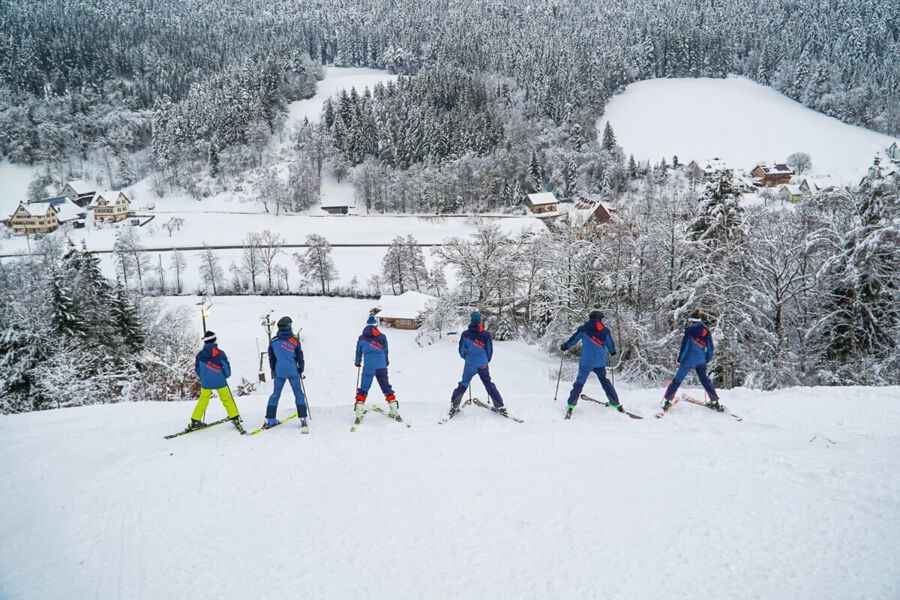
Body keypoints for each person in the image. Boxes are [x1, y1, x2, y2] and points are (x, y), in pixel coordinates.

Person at [560, 310, 620, 418]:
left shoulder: (583, 329)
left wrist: (565, 346)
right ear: (600, 319)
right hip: (600, 362)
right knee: (605, 381)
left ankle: (571, 404)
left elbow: (574, 340)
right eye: (603, 318)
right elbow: (610, 343)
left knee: (579, 382)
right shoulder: (605, 331)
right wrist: (612, 351)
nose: (603, 320)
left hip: (586, 362)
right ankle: (615, 401)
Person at [661, 309, 721, 411]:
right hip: (701, 359)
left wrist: (680, 360)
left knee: (677, 380)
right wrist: (707, 358)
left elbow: (685, 347)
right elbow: (710, 347)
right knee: (705, 380)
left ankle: (668, 401)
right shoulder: (706, 330)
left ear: (691, 320)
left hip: (688, 359)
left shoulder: (689, 330)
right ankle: (715, 401)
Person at [448, 312, 506, 416]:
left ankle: (454, 406)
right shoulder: (486, 334)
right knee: (488, 383)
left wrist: (467, 357)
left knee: (464, 383)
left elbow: (461, 350)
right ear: (480, 321)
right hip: (483, 363)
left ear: (471, 320)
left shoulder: (465, 334)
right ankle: (499, 406)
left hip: (470, 363)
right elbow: (489, 351)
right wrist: (485, 360)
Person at [187, 331, 243, 432]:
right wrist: (226, 375)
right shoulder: (220, 353)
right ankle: (234, 417)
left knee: (203, 400)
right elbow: (226, 368)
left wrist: (203, 377)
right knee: (227, 399)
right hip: (220, 381)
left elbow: (197, 369)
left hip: (206, 382)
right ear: (215, 340)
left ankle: (195, 420)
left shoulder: (200, 355)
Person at [265, 316, 308, 430]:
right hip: (292, 370)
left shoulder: (274, 341)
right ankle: (303, 417)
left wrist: (273, 370)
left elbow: (271, 358)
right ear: (289, 326)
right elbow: (300, 356)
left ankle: (270, 418)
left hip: (279, 371)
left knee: (275, 394)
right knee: (298, 393)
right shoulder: (294, 340)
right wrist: (301, 369)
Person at [354, 315, 400, 420]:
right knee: (385, 386)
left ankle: (359, 410)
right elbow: (385, 351)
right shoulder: (382, 337)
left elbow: (358, 351)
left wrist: (358, 362)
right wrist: (386, 361)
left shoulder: (362, 338)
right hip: (381, 366)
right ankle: (394, 409)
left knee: (364, 387)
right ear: (376, 325)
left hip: (368, 366)